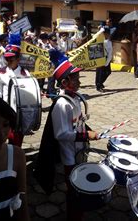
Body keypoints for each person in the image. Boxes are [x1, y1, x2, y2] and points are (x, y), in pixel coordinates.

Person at [35, 49, 99, 220]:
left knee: (79, 186)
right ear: (64, 82)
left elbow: (78, 123)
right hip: (69, 154)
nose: (78, 81)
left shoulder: (75, 98)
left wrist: (87, 131)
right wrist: (86, 136)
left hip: (78, 150)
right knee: (74, 189)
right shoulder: (62, 105)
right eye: (74, 78)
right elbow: (61, 134)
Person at [0, 33, 31, 147]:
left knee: (17, 140)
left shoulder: (26, 74)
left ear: (18, 58)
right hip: (5, 111)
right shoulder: (1, 72)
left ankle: (15, 158)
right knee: (3, 139)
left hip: (19, 113)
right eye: (7, 58)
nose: (8, 61)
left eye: (11, 58)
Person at [95, 27, 113, 92]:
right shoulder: (99, 40)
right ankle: (98, 86)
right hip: (99, 57)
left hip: (105, 58)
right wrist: (100, 30)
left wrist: (107, 61)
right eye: (106, 33)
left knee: (108, 72)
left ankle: (100, 83)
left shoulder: (109, 42)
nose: (108, 35)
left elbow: (110, 52)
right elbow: (95, 36)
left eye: (108, 34)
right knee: (99, 72)